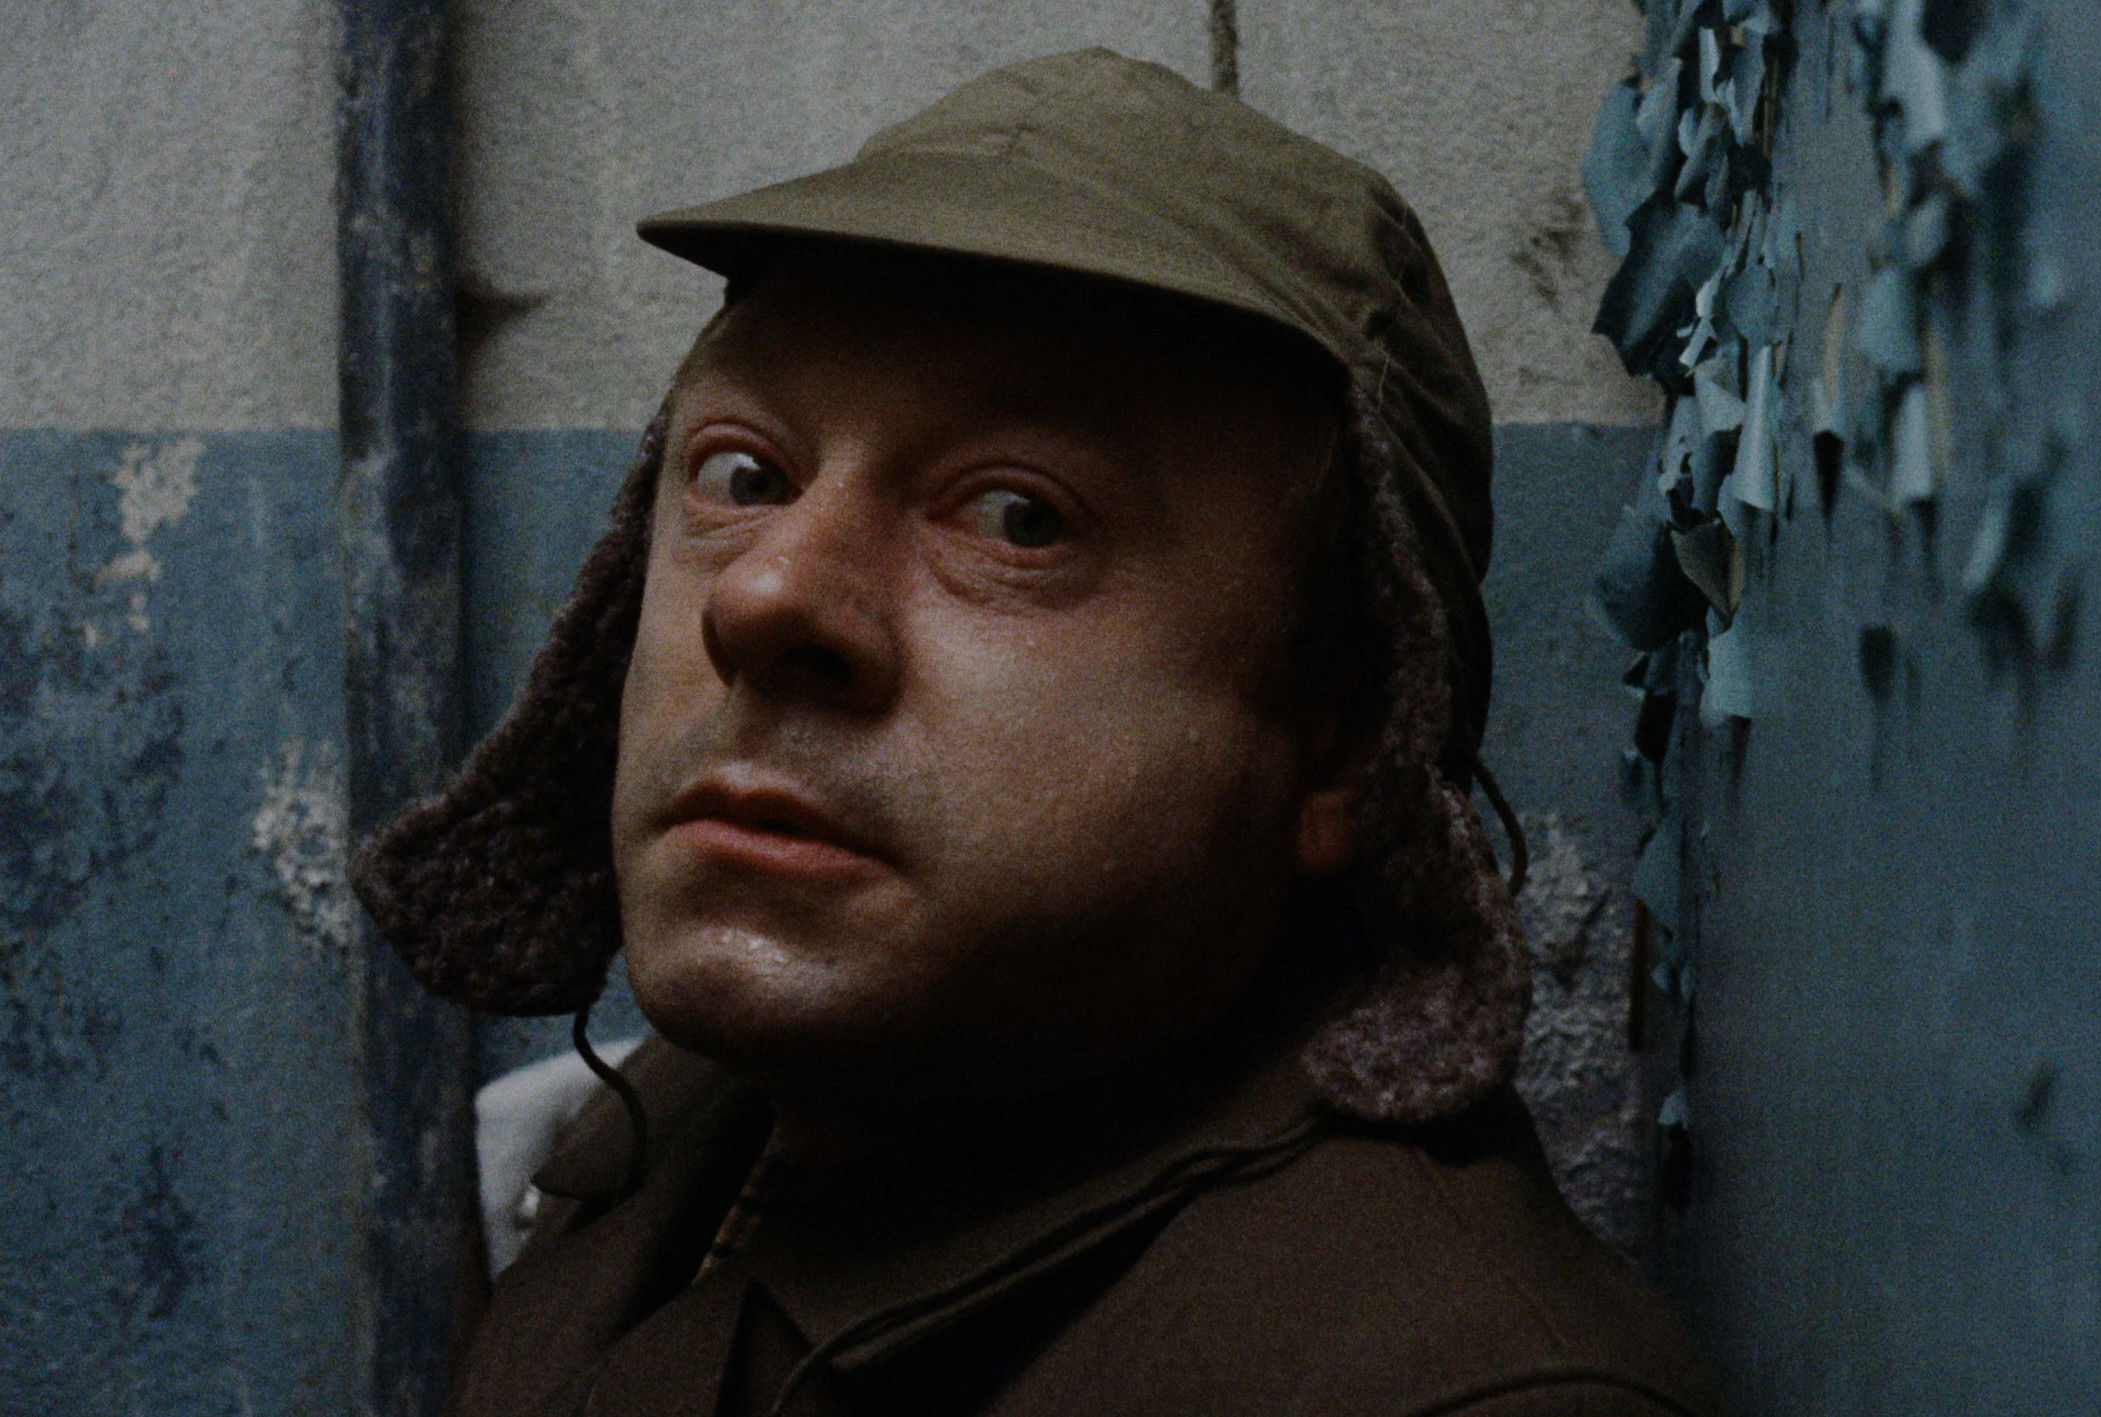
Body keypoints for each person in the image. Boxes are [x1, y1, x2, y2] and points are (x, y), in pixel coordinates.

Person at [353, 47, 1725, 1417]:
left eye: (1019, 517)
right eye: (745, 475)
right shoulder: (671, 1138)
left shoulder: (1454, 1392)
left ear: (1345, 735)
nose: (763, 598)